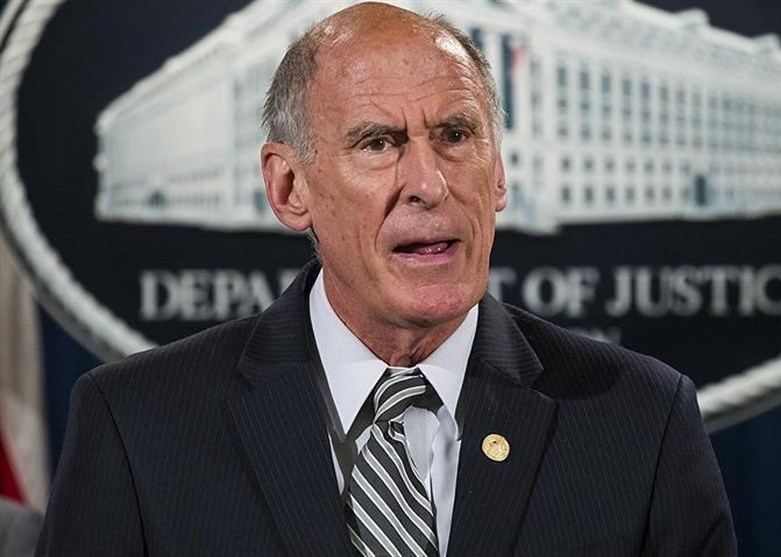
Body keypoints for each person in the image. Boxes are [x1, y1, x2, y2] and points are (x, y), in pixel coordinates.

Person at [37, 3, 736, 555]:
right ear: (289, 188)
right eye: (378, 142)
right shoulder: (137, 426)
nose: (429, 183)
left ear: (498, 174)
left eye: (456, 136)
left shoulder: (642, 421)